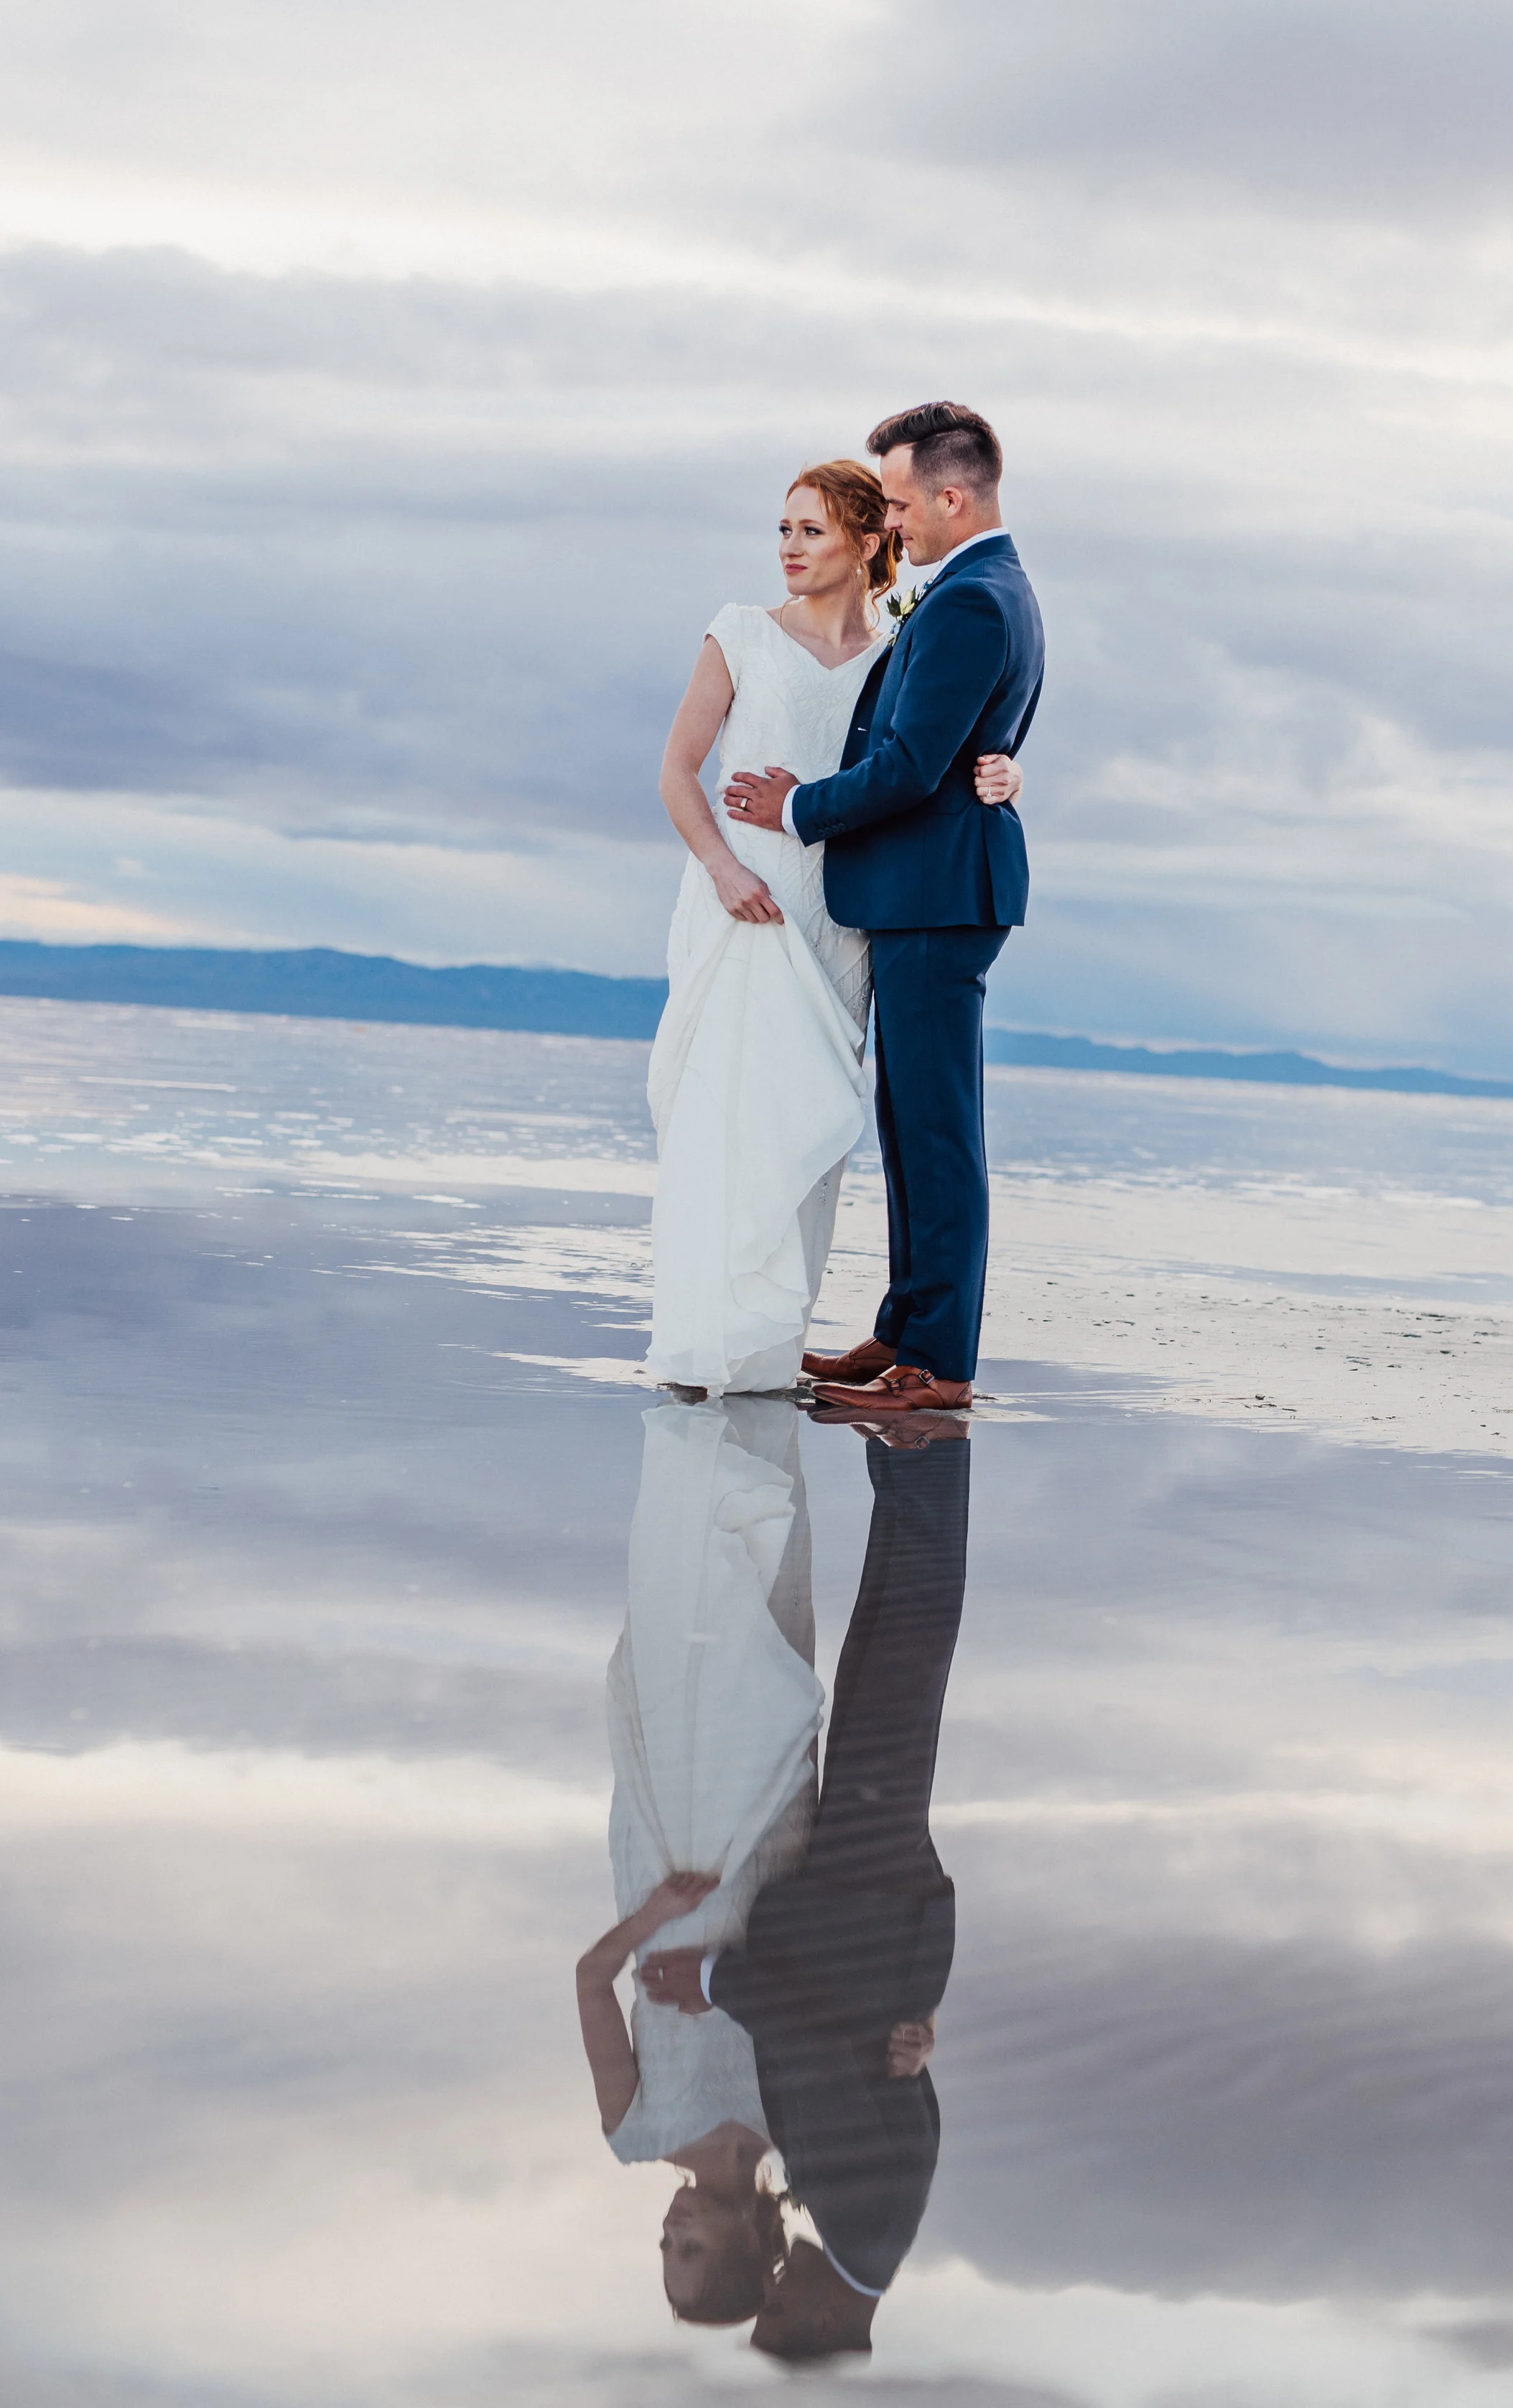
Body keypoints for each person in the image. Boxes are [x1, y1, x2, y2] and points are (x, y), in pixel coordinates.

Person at [647, 460, 1022, 1395]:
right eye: (783, 529)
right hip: (745, 902)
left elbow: (927, 755)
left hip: (841, 915)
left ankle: (773, 1341)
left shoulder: (899, 643)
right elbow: (677, 774)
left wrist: (1005, 769)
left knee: (810, 1130)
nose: (788, 548)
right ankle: (706, 1340)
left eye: (812, 531)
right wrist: (726, 869)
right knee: (725, 1121)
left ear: (866, 544)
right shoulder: (738, 633)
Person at [640, 1415, 971, 2359]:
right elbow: (818, 2049)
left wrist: (915, 2026)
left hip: (875, 1910)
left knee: (889, 1649)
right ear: (830, 2324)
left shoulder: (877, 2232)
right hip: (864, 1898)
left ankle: (916, 1453)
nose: (778, 2290)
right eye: (784, 2312)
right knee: (907, 1650)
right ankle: (932, 1448)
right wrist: (708, 1984)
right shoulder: (857, 2220)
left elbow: (905, 2089)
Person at [576, 1398, 824, 2325]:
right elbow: (834, 1996)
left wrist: (653, 1915)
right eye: (691, 2248)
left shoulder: (635, 2133)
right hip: (772, 1850)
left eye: (665, 2246)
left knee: (673, 1661)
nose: (673, 2227)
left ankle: (689, 1448)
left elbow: (592, 1981)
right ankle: (765, 1434)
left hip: (662, 1856)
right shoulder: (799, 2127)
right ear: (751, 2244)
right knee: (771, 1665)